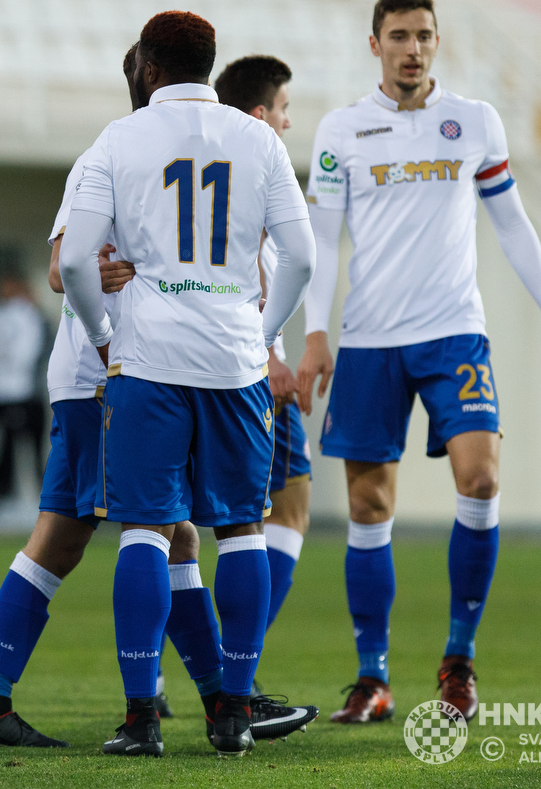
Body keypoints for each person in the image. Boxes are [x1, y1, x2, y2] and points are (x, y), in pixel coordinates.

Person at [0, 43, 315, 749]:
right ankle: (4, 700)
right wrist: (103, 286)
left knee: (168, 531)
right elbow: (65, 264)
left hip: (139, 372)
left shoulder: (128, 153)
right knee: (70, 538)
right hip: (105, 381)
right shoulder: (111, 155)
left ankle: (215, 698)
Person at [297, 0, 541, 724]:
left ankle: (458, 660)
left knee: (480, 480)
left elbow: (513, 225)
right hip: (370, 341)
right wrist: (314, 332)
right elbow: (321, 241)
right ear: (374, 44)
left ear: (437, 42)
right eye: (398, 35)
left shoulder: (473, 122)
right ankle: (372, 675)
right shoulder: (341, 130)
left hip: (455, 333)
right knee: (366, 504)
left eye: (423, 35)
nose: (412, 47)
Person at [60, 11, 315, 757]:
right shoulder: (258, 138)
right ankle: (233, 712)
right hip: (235, 362)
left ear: (146, 68)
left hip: (146, 359)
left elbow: (77, 260)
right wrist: (262, 332)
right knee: (240, 526)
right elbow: (298, 256)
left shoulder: (118, 138)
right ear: (212, 63)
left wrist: (105, 335)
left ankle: (143, 717)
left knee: (145, 527)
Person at [213, 55, 313, 653]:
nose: (288, 123)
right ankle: (231, 669)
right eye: (283, 110)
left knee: (175, 527)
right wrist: (272, 352)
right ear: (260, 114)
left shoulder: (209, 163)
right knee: (279, 511)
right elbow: (254, 269)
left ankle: (199, 668)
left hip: (178, 365)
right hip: (251, 369)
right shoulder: (257, 171)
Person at [0, 272, 49, 510]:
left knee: (31, 449)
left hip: (23, 390)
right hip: (3, 389)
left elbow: (27, 353)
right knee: (2, 451)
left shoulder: (26, 314)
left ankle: (41, 500)